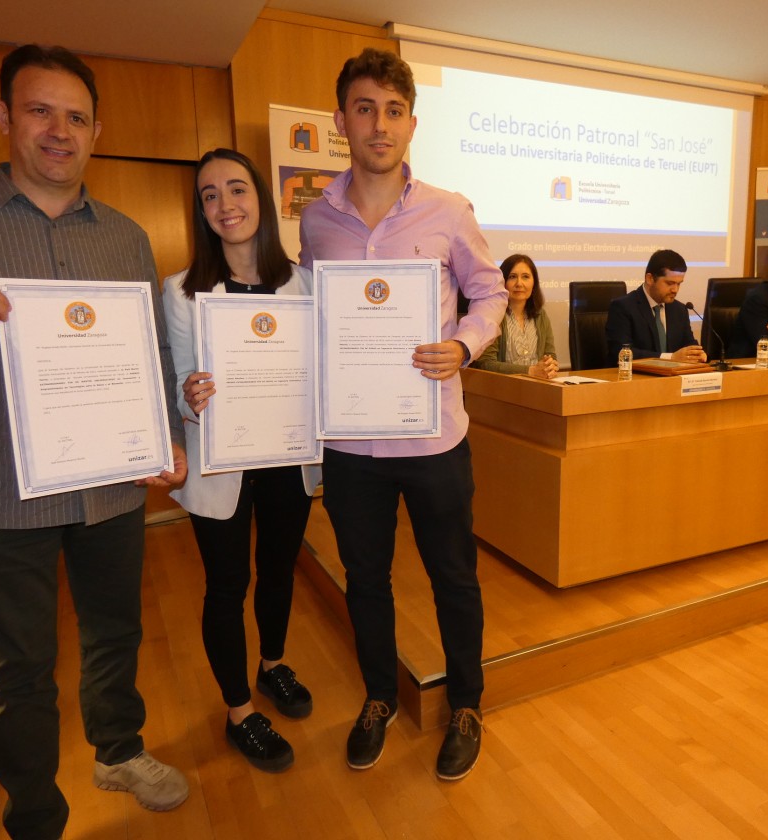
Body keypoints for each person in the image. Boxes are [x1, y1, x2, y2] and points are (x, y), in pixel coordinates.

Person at [0, 45, 189, 839]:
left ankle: (118, 750)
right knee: (17, 668)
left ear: (97, 131)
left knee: (115, 630)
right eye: (40, 111)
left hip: (111, 486)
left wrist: (166, 436)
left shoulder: (123, 239)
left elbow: (148, 352)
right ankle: (35, 816)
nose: (60, 131)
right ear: (3, 117)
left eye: (77, 117)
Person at [299, 48, 507, 781]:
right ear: (340, 121)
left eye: (392, 111)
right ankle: (379, 698)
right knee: (366, 580)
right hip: (352, 446)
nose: (378, 125)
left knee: (454, 576)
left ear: (411, 123)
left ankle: (467, 704)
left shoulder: (449, 210)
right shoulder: (314, 221)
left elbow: (492, 294)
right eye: (364, 109)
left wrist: (463, 344)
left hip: (435, 438)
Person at [162, 148, 320, 774]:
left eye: (236, 190)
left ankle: (273, 665)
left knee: (279, 568)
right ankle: (237, 712)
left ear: (261, 198)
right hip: (222, 464)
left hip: (286, 455)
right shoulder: (181, 290)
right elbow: (178, 380)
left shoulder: (304, 283)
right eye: (209, 196)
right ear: (201, 212)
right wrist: (190, 396)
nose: (225, 205)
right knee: (228, 586)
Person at [605, 249, 708, 364]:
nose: (675, 290)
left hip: (672, 378)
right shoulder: (623, 307)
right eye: (670, 283)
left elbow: (688, 343)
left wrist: (697, 353)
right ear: (650, 279)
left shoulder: (680, 310)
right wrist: (670, 357)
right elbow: (621, 352)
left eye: (679, 284)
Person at [471, 253, 558, 378]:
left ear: (534, 284)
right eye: (512, 277)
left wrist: (550, 365)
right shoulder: (494, 315)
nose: (519, 283)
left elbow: (550, 355)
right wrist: (530, 371)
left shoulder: (540, 315)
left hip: (537, 387)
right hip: (501, 389)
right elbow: (485, 364)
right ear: (503, 281)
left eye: (525, 277)